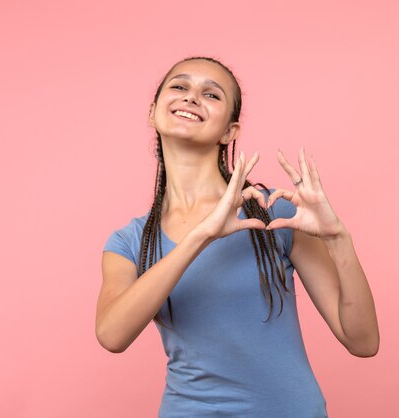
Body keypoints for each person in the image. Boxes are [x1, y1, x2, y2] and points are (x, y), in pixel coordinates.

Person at [96, 56, 379, 417]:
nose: (191, 97)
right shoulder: (128, 242)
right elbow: (111, 336)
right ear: (153, 113)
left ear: (230, 131)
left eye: (211, 95)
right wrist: (202, 235)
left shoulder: (274, 214)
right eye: (179, 86)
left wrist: (339, 240)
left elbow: (363, 341)